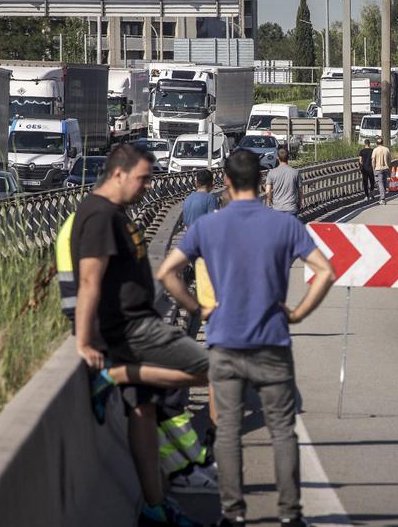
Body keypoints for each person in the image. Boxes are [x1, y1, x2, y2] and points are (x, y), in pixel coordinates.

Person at [157, 150, 336, 527]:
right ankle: (290, 515)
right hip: (272, 340)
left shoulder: (208, 227)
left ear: (225, 181)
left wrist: (198, 308)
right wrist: (300, 312)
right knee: (283, 430)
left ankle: (233, 514)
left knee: (228, 431)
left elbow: (168, 272)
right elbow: (325, 271)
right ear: (261, 182)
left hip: (224, 342)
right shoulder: (285, 226)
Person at [71, 143, 209, 527]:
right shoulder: (99, 216)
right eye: (143, 178)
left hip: (138, 320)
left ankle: (154, 506)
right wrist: (84, 342)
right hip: (131, 328)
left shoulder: (117, 213)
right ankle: (112, 375)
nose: (148, 186)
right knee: (217, 368)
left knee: (143, 414)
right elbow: (88, 280)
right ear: (118, 174)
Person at [264, 148, 301, 217]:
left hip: (277, 208)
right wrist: (299, 204)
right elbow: (300, 191)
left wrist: (269, 203)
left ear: (277, 158)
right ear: (288, 158)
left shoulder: (271, 172)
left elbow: (267, 191)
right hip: (291, 208)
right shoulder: (295, 172)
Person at [371, 136, 391, 205]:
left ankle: (382, 199)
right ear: (382, 142)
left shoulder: (375, 150)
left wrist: (373, 168)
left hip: (378, 169)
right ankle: (382, 198)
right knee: (384, 183)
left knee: (379, 183)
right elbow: (389, 159)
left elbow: (373, 160)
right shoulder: (386, 149)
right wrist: (387, 165)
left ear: (376, 143)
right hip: (386, 168)